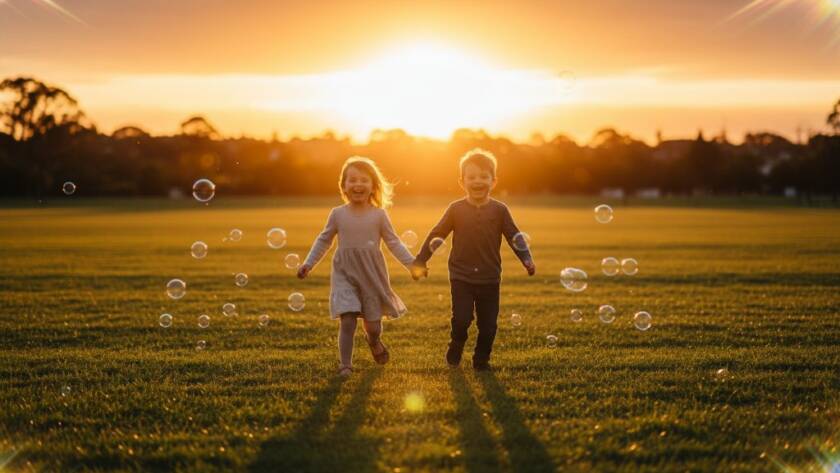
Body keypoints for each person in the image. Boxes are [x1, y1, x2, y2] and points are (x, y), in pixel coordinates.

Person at [414, 148, 536, 371]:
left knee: (488, 326)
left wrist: (526, 259)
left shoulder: (500, 210)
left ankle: (481, 359)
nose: (477, 181)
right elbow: (436, 234)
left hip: (490, 278)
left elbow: (514, 237)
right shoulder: (456, 209)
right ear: (462, 181)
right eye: (471, 177)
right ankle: (457, 343)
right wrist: (421, 260)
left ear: (493, 181)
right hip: (461, 276)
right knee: (461, 319)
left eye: (483, 176)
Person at [298, 156, 416, 377]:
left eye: (364, 180)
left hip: (371, 274)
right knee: (348, 318)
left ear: (373, 186)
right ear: (343, 186)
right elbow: (324, 240)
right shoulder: (337, 214)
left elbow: (393, 242)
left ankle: (374, 341)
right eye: (352, 180)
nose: (358, 185)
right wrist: (308, 263)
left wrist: (411, 264)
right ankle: (345, 364)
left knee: (373, 326)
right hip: (345, 273)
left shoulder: (379, 215)